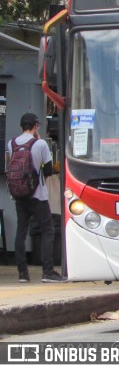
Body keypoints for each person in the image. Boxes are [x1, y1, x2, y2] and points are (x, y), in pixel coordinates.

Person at [8, 113, 64, 283]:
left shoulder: (12, 143)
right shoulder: (40, 144)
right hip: (37, 195)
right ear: (35, 126)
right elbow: (48, 171)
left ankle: (22, 274)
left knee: (21, 231)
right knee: (48, 229)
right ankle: (48, 272)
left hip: (18, 194)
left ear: (21, 126)